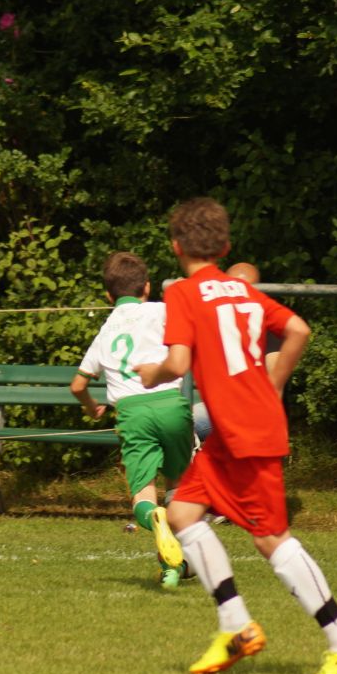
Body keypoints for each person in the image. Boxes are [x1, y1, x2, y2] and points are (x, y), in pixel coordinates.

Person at [136, 198, 337, 674]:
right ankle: (235, 627)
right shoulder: (242, 290)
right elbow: (298, 329)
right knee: (182, 513)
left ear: (175, 246)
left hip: (244, 431)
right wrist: (274, 382)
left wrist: (150, 373)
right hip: (237, 429)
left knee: (271, 539)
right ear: (225, 247)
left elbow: (178, 364)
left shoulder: (183, 292)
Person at [70, 252, 192, 589]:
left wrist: (91, 407)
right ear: (147, 287)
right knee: (178, 486)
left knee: (143, 493)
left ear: (108, 295)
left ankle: (155, 522)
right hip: (171, 403)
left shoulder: (105, 331)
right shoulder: (162, 310)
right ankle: (173, 566)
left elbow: (77, 385)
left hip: (132, 412)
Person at [190, 261, 279, 444]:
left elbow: (274, 380)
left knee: (185, 422)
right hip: (203, 405)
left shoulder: (267, 329)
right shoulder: (208, 321)